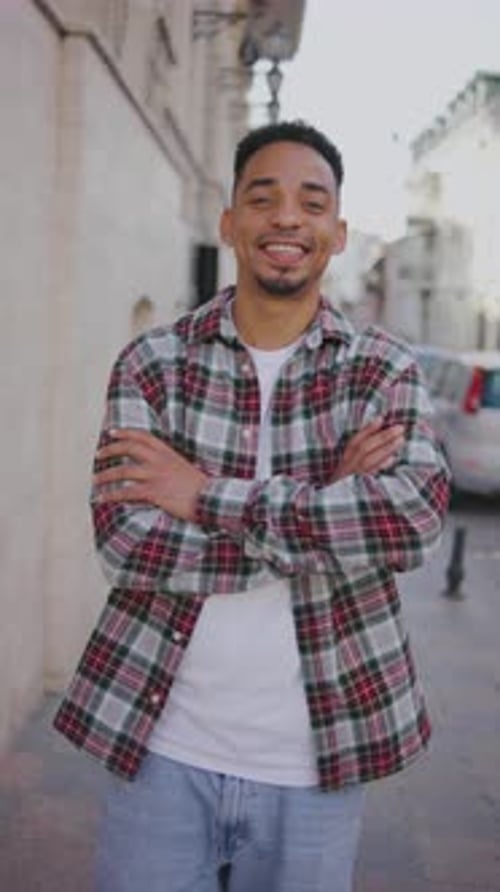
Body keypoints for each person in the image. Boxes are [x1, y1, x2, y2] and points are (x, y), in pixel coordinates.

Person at [54, 120, 450, 892]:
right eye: (263, 198)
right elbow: (129, 546)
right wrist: (329, 507)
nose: (287, 219)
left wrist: (201, 495)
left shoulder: (380, 367)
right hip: (162, 744)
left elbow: (410, 521)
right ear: (230, 221)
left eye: (312, 202)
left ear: (336, 232)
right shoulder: (153, 363)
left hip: (319, 756)